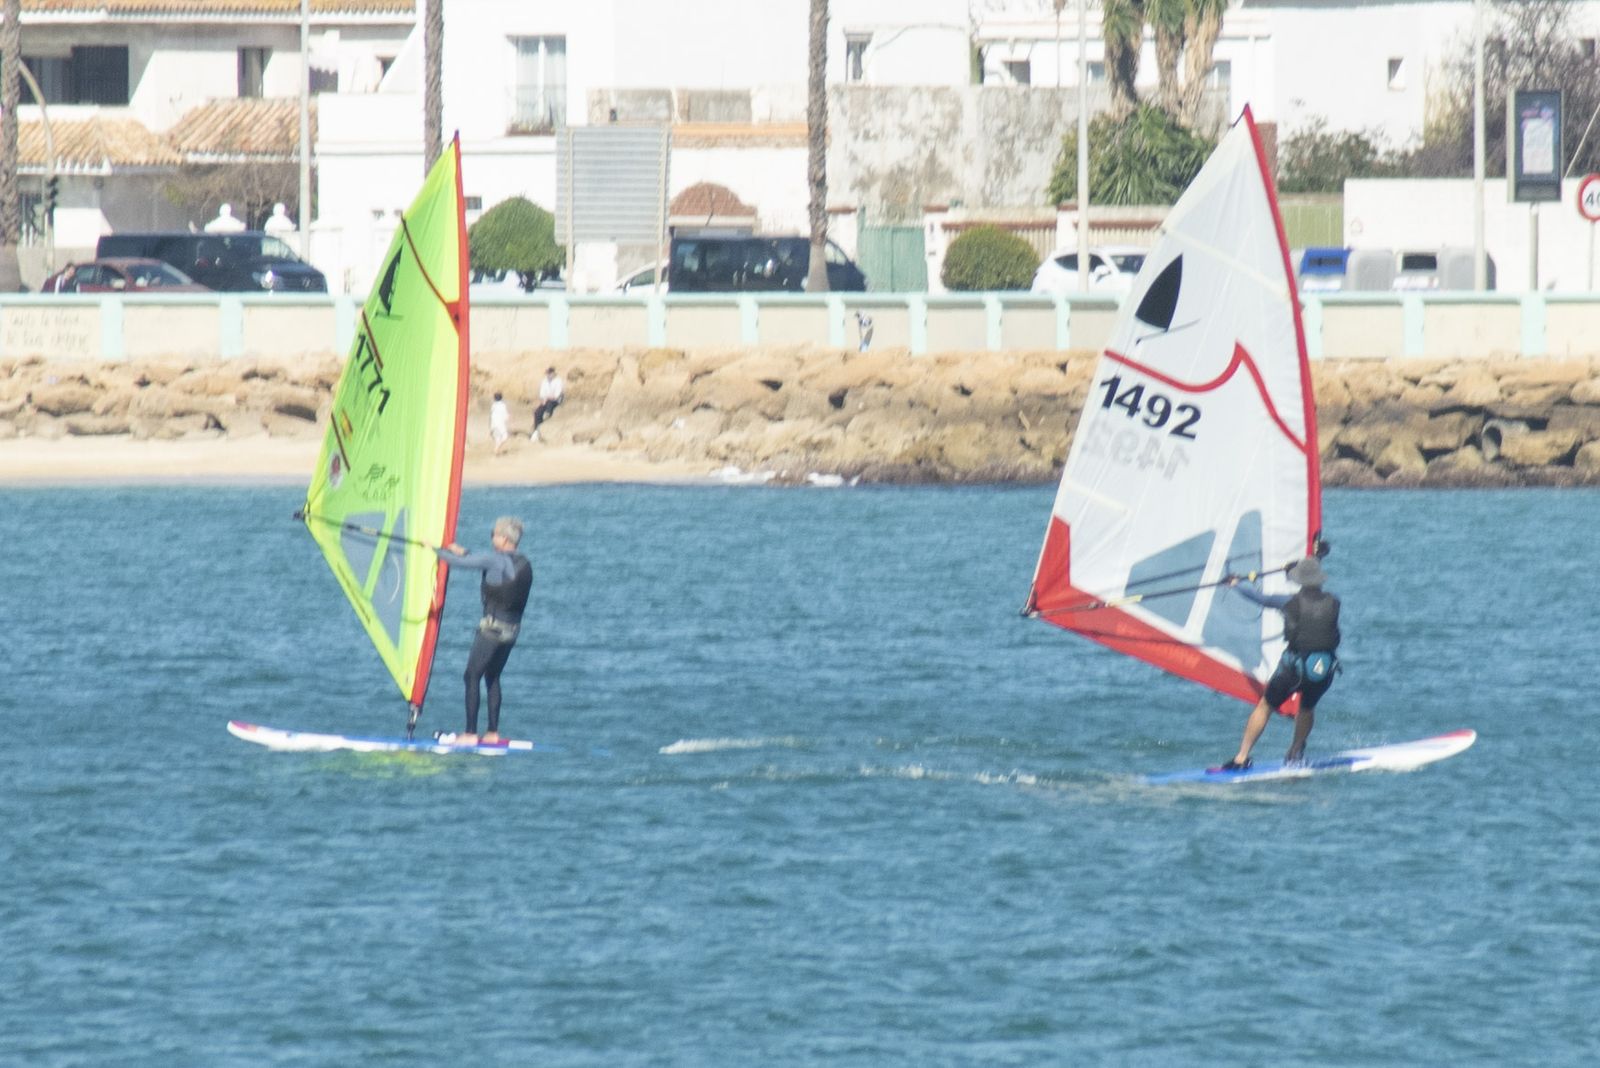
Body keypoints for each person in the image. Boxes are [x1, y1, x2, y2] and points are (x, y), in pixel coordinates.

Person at [1220, 556, 1341, 770]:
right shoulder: (1334, 601)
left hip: (1295, 671)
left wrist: (1236, 584)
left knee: (1265, 706)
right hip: (1324, 672)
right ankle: (1295, 752)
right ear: (1320, 581)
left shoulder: (1289, 602)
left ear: (1300, 581)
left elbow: (1259, 598)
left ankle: (1241, 757)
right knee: (1307, 707)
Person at [436, 517, 533, 744]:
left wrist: (430, 549)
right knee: (492, 676)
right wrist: (464, 551)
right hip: (512, 632)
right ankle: (492, 733)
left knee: (471, 676)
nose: (491, 537)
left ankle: (470, 733)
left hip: (492, 630)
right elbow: (483, 562)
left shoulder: (494, 560)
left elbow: (456, 562)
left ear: (505, 538)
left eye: (494, 533)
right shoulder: (523, 562)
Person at [531, 367, 563, 441]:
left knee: (549, 404)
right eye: (547, 374)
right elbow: (542, 393)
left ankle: (548, 414)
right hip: (546, 400)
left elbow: (557, 394)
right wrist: (543, 399)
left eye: (549, 374)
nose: (548, 375)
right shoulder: (544, 381)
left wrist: (548, 398)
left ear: (553, 373)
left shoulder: (558, 381)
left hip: (556, 400)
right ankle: (536, 430)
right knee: (537, 412)